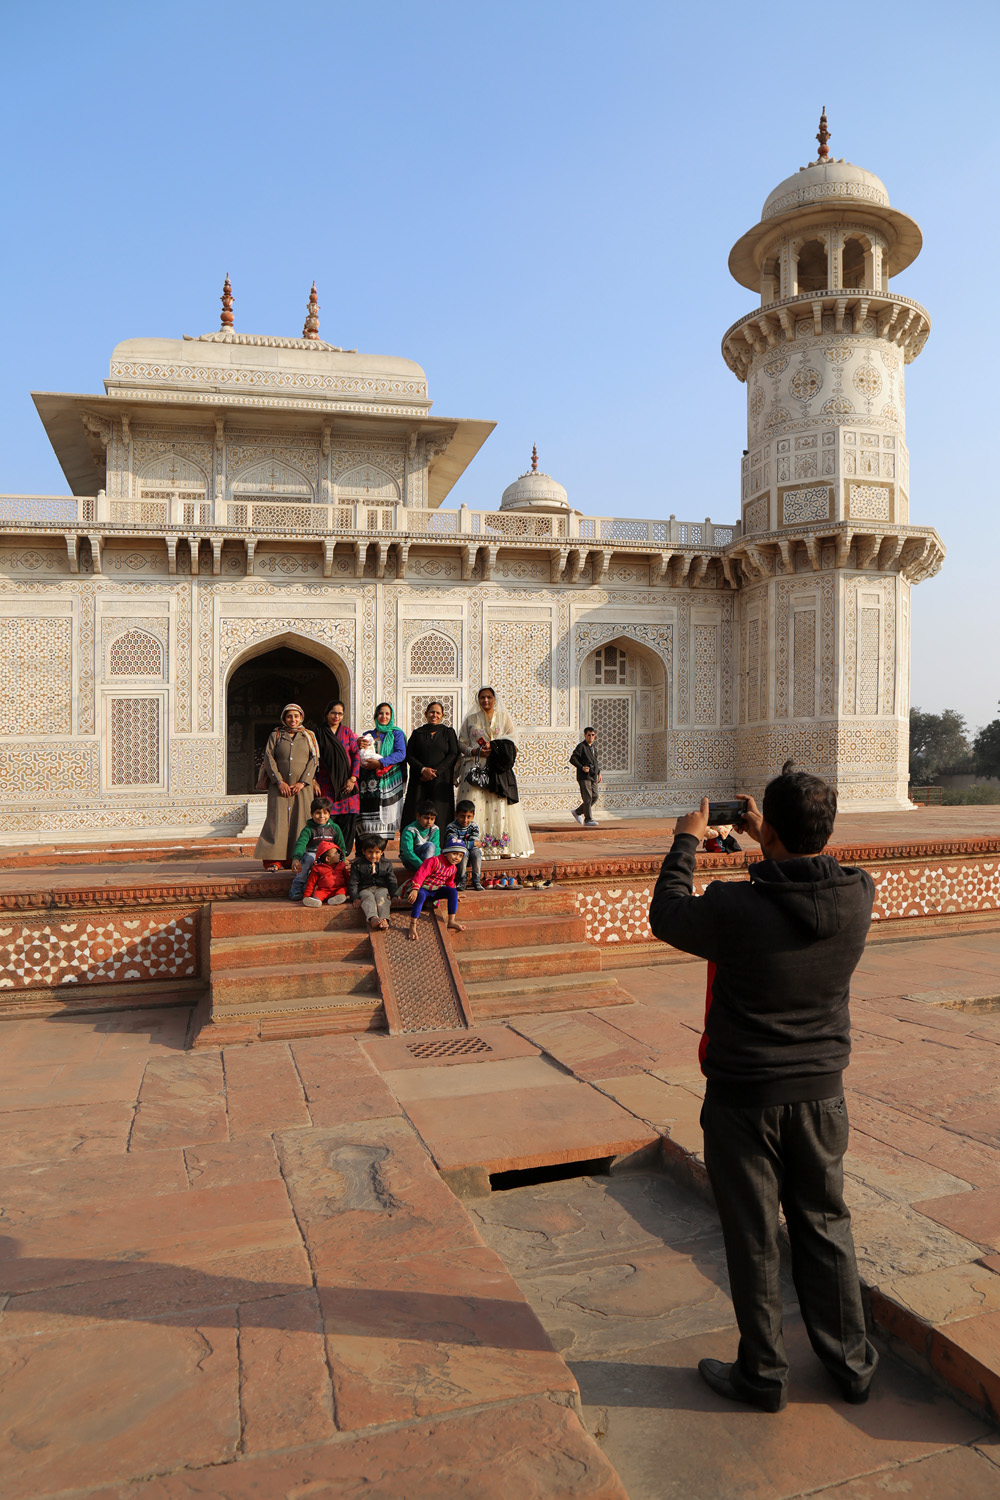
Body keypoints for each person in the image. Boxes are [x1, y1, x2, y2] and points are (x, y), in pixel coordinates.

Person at [647, 762, 878, 1414]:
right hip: (822, 1095)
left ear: (767, 829)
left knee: (753, 1234)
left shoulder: (734, 907)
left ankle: (765, 1372)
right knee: (825, 1225)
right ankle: (852, 1364)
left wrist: (688, 839)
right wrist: (771, 840)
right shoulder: (857, 895)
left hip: (745, 1098)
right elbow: (805, 879)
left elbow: (667, 913)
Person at [456, 686, 533, 860]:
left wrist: (495, 746)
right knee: (476, 804)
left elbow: (513, 739)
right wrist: (474, 751)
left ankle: (499, 846)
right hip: (476, 768)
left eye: (489, 697)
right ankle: (476, 845)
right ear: (478, 699)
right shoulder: (471, 720)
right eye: (482, 697)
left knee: (498, 806)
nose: (486, 701)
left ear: (494, 699)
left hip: (497, 769)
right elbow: (461, 743)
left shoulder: (503, 717)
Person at [254, 704, 319, 870]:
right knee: (277, 821)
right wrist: (279, 782)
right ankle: (273, 860)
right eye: (289, 716)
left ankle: (296, 858)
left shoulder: (308, 736)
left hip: (302, 788)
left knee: (301, 821)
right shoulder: (276, 735)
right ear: (284, 718)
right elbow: (269, 758)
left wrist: (302, 782)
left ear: (301, 718)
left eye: (296, 716)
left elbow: (314, 760)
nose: (293, 720)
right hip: (279, 788)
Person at [400, 700, 460, 831]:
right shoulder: (418, 733)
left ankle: (441, 848)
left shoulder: (448, 732)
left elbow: (453, 754)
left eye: (438, 713)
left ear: (442, 715)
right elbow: (409, 755)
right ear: (426, 714)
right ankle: (413, 847)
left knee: (441, 815)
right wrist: (422, 770)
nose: (434, 715)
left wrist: (436, 772)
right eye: (432, 712)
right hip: (420, 781)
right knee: (416, 813)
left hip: (441, 782)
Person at [358, 703, 407, 846]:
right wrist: (358, 744)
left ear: (391, 716)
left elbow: (400, 754)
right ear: (375, 716)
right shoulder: (368, 735)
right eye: (380, 713)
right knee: (368, 816)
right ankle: (367, 851)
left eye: (387, 714)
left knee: (386, 816)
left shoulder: (396, 734)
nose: (383, 716)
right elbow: (360, 753)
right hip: (369, 781)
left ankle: (380, 851)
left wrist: (380, 763)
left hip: (390, 780)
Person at [315, 700, 360, 856]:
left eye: (340, 713)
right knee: (327, 819)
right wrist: (313, 780)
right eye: (333, 712)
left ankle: (344, 854)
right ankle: (327, 853)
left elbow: (355, 755)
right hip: (326, 783)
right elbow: (313, 757)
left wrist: (353, 778)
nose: (336, 716)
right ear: (327, 713)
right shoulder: (318, 732)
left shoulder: (347, 732)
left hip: (347, 784)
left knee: (348, 820)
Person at [406, 838, 466, 941]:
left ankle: (451, 921)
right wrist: (415, 889)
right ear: (446, 853)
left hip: (436, 890)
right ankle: (413, 924)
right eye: (455, 853)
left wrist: (454, 896)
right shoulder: (433, 861)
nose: (457, 858)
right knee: (420, 895)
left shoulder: (453, 868)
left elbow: (450, 882)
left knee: (453, 892)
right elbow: (421, 874)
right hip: (423, 888)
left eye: (460, 855)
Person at [288, 797, 347, 900]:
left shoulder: (335, 828)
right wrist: (296, 858)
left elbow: (341, 845)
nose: (321, 816)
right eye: (318, 813)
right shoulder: (308, 829)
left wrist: (343, 860)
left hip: (329, 856)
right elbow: (301, 844)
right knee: (308, 859)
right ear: (311, 814)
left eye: (325, 813)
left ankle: (332, 890)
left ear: (329, 814)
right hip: (312, 854)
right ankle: (297, 886)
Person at [348, 835, 398, 931]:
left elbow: (392, 880)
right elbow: (353, 882)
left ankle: (384, 919)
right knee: (368, 899)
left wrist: (394, 895)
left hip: (381, 887)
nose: (373, 855)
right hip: (365, 888)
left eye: (377, 852)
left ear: (382, 852)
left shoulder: (387, 863)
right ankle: (373, 918)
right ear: (363, 851)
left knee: (383, 899)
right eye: (370, 852)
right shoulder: (357, 864)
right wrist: (355, 898)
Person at [445, 800, 483, 891]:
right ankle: (462, 879)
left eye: (469, 817)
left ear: (473, 816)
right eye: (462, 816)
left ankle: (476, 879)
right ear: (456, 814)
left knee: (477, 852)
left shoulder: (473, 826)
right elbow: (454, 844)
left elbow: (476, 843)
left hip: (470, 854)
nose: (465, 820)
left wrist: (469, 844)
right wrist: (471, 844)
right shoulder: (451, 827)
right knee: (463, 851)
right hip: (456, 855)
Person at [570, 726, 602, 827]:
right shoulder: (581, 747)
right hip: (584, 776)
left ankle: (578, 812)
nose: (591, 737)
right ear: (585, 735)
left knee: (595, 796)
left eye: (593, 735)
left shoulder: (593, 748)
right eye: (589, 735)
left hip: (593, 775)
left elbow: (595, 761)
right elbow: (573, 758)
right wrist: (581, 767)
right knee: (587, 797)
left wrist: (599, 772)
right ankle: (588, 819)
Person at [301, 841, 350, 907]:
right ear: (328, 858)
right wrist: (306, 896)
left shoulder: (342, 866)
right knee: (318, 894)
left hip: (339, 889)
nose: (339, 854)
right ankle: (315, 901)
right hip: (324, 890)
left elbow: (348, 879)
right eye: (336, 853)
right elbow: (311, 883)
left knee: (343, 890)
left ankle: (337, 899)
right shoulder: (317, 869)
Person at [400, 805, 440, 877]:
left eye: (432, 819)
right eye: (426, 818)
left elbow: (437, 848)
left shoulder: (435, 829)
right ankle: (425, 874)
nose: (429, 822)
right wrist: (423, 867)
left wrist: (437, 865)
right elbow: (408, 852)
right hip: (411, 862)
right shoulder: (409, 830)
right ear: (418, 816)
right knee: (430, 846)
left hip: (428, 862)